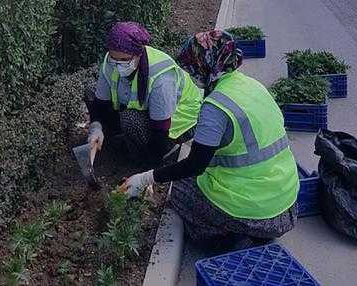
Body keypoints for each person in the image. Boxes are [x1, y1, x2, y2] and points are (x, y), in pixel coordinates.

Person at [118, 30, 299, 251]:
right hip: (287, 206)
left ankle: (231, 239)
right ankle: (248, 231)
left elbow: (195, 165)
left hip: (256, 212)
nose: (189, 74)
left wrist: (147, 178)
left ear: (204, 64)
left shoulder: (216, 106)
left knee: (179, 194)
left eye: (191, 67)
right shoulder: (253, 86)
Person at [85, 22, 203, 169]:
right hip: (146, 112)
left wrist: (149, 172)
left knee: (130, 119)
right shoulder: (110, 62)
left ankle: (158, 152)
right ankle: (108, 139)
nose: (117, 64)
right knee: (90, 92)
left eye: (124, 60)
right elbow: (100, 103)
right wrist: (96, 128)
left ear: (138, 55)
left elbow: (161, 130)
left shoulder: (161, 76)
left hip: (179, 121)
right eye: (114, 59)